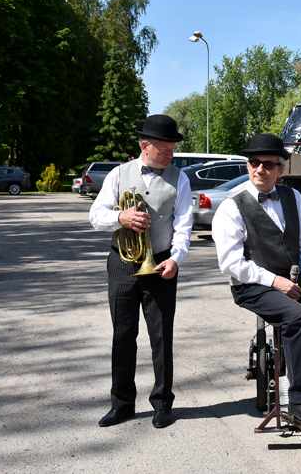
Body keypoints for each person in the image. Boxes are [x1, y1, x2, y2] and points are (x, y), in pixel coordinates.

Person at [213, 134, 301, 422]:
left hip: (291, 284)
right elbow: (230, 264)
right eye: (253, 163)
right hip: (251, 286)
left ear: (282, 170)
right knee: (297, 318)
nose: (259, 169)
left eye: (268, 164)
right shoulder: (231, 206)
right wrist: (275, 281)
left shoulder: (294, 197)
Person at [89, 114, 193, 429]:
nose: (171, 154)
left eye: (173, 148)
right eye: (165, 148)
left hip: (160, 262)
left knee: (161, 337)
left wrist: (176, 259)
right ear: (144, 146)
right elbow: (96, 215)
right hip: (122, 262)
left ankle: (162, 404)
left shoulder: (181, 178)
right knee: (122, 335)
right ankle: (121, 404)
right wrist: (121, 218)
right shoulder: (118, 174)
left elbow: (184, 227)